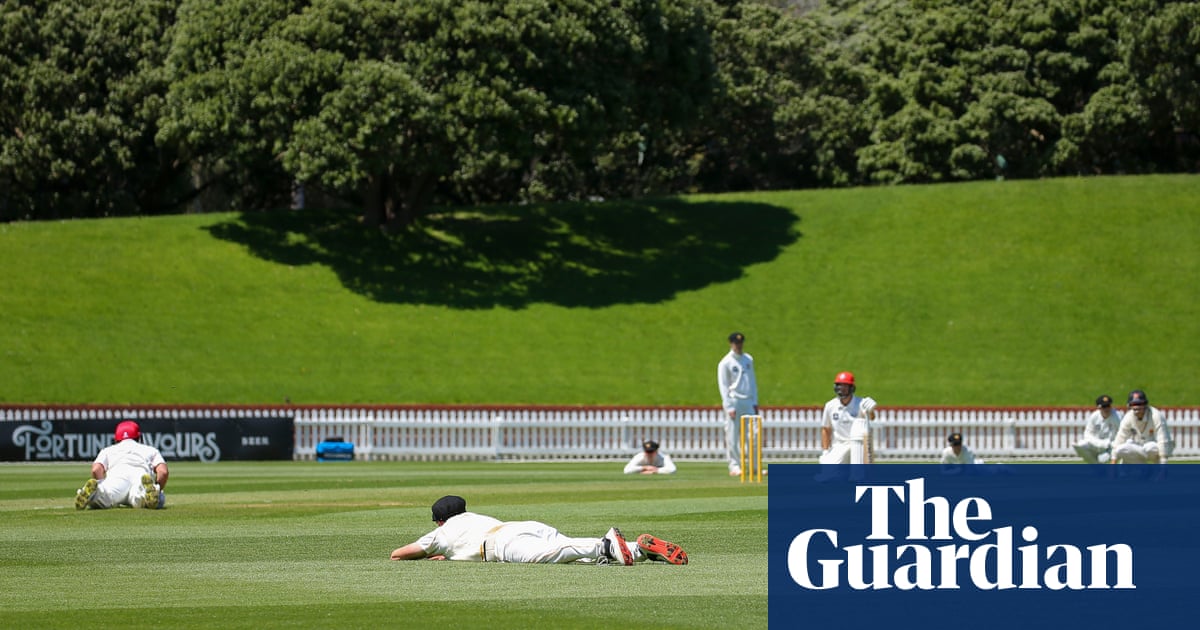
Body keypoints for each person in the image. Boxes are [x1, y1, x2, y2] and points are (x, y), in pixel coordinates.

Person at [389, 495, 688, 565]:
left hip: (500, 544)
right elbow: (460, 547)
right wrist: (448, 557)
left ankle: (606, 544)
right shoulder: (473, 518)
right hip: (519, 526)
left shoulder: (442, 532)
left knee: (547, 556)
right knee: (575, 555)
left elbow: (399, 554)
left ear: (440, 520)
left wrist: (429, 552)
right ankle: (639, 548)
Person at [74, 420, 167, 510]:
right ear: (139, 437)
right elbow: (163, 472)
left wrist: (102, 482)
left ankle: (96, 492)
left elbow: (96, 469)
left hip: (117, 479)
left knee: (105, 496)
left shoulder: (107, 450)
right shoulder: (150, 450)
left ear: (117, 438)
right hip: (139, 477)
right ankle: (146, 492)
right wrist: (158, 488)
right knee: (142, 496)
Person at [717, 331, 758, 476]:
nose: (738, 346)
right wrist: (728, 406)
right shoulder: (725, 362)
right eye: (736, 343)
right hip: (734, 401)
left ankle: (754, 466)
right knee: (733, 436)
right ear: (731, 344)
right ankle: (735, 466)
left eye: (740, 343)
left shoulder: (748, 359)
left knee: (753, 435)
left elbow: (752, 382)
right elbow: (723, 385)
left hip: (748, 401)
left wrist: (755, 401)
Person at [819, 371, 876, 465]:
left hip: (858, 444)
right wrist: (825, 451)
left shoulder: (861, 403)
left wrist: (871, 410)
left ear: (852, 388)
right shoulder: (830, 405)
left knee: (859, 475)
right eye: (839, 386)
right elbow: (826, 429)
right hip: (839, 445)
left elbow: (872, 418)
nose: (842, 389)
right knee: (828, 472)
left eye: (845, 386)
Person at [1110, 389, 1172, 465]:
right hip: (1138, 447)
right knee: (1121, 449)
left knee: (1150, 447)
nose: (1137, 408)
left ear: (1145, 404)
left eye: (1139, 404)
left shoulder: (1156, 415)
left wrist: (1163, 466)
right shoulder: (1128, 417)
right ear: (1130, 406)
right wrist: (1113, 465)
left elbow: (1162, 440)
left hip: (1153, 449)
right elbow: (1120, 439)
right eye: (1134, 404)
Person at [1072, 395, 1122, 464]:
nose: (1107, 409)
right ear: (1099, 407)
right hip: (1097, 444)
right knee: (1080, 445)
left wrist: (1112, 445)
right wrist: (1100, 443)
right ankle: (1097, 466)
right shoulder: (1094, 416)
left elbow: (1123, 434)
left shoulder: (1117, 417)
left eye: (1108, 406)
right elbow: (1087, 434)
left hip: (1111, 447)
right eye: (1104, 407)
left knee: (1102, 459)